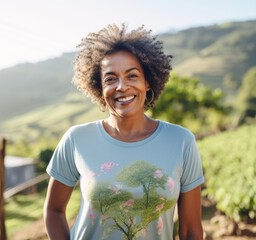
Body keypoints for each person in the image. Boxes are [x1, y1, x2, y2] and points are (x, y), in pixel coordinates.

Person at [44, 23, 205, 240]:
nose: (121, 86)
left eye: (132, 76)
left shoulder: (181, 141)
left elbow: (191, 231)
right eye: (110, 78)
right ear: (99, 88)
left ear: (147, 82)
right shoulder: (77, 139)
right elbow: (53, 211)